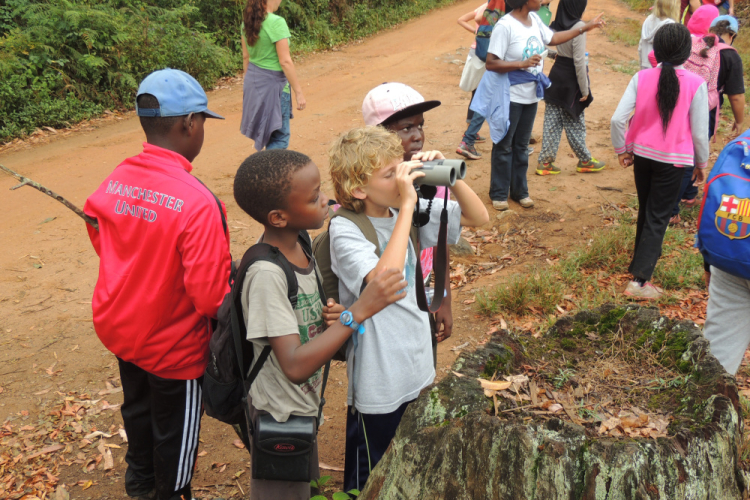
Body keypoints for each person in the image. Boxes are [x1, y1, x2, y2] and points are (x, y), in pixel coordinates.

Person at [83, 69, 232, 500]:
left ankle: (140, 482)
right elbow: (210, 297)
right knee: (175, 434)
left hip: (123, 330)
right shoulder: (198, 202)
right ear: (189, 123)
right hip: (173, 347)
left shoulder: (117, 177)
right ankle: (171, 491)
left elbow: (99, 229)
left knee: (138, 408)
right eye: (202, 121)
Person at [233, 149, 407, 499]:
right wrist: (357, 312)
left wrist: (333, 317)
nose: (326, 199)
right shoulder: (267, 275)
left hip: (302, 406)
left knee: (305, 486)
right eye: (314, 198)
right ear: (278, 217)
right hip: (278, 415)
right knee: (284, 492)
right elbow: (295, 366)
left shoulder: (301, 242)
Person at [327, 126, 489, 491]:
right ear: (359, 189)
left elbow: (479, 217)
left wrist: (448, 174)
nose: (403, 177)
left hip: (417, 366)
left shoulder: (405, 211)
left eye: (401, 167)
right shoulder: (346, 228)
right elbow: (384, 281)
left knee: (411, 465)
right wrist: (408, 206)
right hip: (378, 379)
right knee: (371, 478)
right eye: (390, 174)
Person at [611, 23, 709, 299]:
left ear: (656, 49)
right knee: (658, 217)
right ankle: (639, 282)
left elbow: (617, 119)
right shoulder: (696, 83)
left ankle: (638, 267)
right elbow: (699, 133)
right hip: (675, 162)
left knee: (647, 210)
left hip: (642, 155)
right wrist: (701, 164)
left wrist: (622, 149)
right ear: (687, 52)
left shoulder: (641, 77)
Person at [478, 0, 605, 211]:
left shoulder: (535, 20)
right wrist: (521, 64)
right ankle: (499, 193)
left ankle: (520, 192)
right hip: (510, 95)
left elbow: (553, 38)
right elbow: (491, 62)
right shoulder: (505, 26)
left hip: (531, 95)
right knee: (504, 144)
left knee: (521, 146)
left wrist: (585, 27)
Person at [362, 82, 456, 364]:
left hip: (421, 287)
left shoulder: (431, 177)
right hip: (382, 295)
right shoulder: (369, 187)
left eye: (420, 125)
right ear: (378, 135)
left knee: (423, 357)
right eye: (406, 128)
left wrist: (444, 298)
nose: (417, 136)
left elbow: (438, 241)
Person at [669, 15, 743, 225]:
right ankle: (671, 211)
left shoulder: (695, 43)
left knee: (684, 149)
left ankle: (689, 194)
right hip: (704, 109)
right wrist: (739, 121)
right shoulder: (730, 55)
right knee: (690, 158)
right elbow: (736, 96)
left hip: (679, 102)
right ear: (732, 35)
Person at [536, 0, 606, 176]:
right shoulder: (579, 27)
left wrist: (552, 54)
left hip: (555, 76)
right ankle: (585, 160)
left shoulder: (557, 24)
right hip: (571, 80)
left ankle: (545, 163)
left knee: (552, 121)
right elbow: (579, 61)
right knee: (575, 120)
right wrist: (585, 89)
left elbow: (540, 42)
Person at [240, 0, 306, 151]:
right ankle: (268, 167)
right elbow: (285, 62)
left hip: (253, 83)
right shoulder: (276, 22)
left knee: (266, 133)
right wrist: (298, 92)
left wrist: (248, 85)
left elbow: (246, 57)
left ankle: (264, 164)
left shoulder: (247, 23)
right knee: (279, 138)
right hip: (274, 87)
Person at [457, 0, 506, 160]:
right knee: (485, 94)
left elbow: (475, 18)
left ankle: (470, 135)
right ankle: (470, 136)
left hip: (483, 52)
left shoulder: (491, 4)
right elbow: (478, 18)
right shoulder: (496, 4)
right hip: (489, 54)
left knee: (482, 94)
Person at [639, 0, 680, 70]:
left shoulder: (649, 19)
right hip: (661, 67)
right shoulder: (671, 26)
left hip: (646, 63)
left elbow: (641, 46)